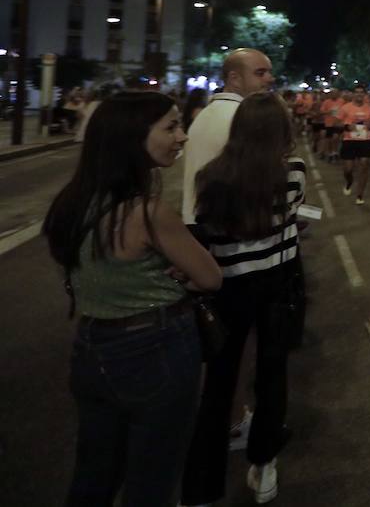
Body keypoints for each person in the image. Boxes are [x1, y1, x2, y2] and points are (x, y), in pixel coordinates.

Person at [42, 91, 222, 506]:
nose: (182, 137)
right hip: (155, 347)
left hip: (92, 347)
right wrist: (180, 272)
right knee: (152, 477)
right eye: (171, 127)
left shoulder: (72, 203)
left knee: (95, 472)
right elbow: (210, 278)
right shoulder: (148, 212)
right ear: (132, 137)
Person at [181, 93, 305, 505]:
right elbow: (290, 218)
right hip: (276, 285)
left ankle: (200, 489)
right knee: (271, 376)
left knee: (219, 385)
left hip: (229, 287)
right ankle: (264, 465)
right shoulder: (293, 173)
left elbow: (208, 231)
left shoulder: (211, 178)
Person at [181, 48, 276, 224]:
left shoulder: (206, 113)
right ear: (235, 79)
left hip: (198, 219)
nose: (270, 79)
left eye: (269, 72)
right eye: (260, 73)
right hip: (226, 226)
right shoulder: (245, 117)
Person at [337, 88, 370, 206]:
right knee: (348, 169)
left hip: (364, 140)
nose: (359, 94)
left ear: (364, 94)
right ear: (353, 94)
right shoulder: (345, 108)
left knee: (364, 165)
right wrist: (347, 126)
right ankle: (349, 181)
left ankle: (360, 195)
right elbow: (337, 123)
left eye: (361, 92)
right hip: (349, 141)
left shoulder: (369, 108)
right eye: (357, 92)